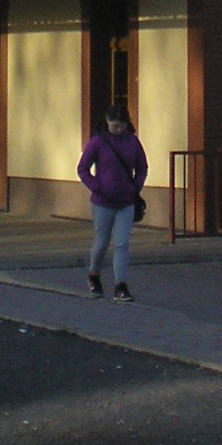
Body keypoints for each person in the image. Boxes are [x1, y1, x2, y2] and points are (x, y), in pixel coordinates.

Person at [77, 103, 148, 302]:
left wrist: (135, 187)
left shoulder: (132, 142)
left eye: (121, 125)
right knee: (101, 243)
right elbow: (83, 169)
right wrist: (96, 186)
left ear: (127, 124)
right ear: (106, 122)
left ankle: (120, 285)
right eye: (114, 125)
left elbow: (142, 167)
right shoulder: (98, 142)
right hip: (102, 202)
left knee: (122, 243)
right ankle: (94, 274)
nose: (117, 129)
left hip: (125, 202)